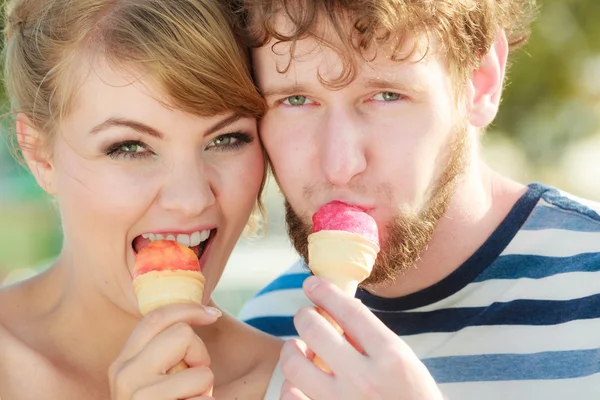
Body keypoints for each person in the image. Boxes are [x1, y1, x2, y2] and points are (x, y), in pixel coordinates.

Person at [236, 0, 600, 398]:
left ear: (481, 82)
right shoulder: (265, 330)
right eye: (296, 100)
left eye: (387, 95)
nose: (340, 165)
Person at [0, 0, 288, 398]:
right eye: (130, 147)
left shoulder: (306, 383)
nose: (191, 200)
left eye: (226, 139)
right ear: (39, 155)